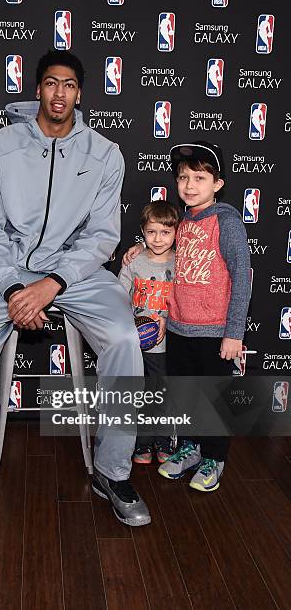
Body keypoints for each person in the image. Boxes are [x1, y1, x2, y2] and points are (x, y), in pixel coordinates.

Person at [0, 50, 150, 526]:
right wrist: (14, 287)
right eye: (51, 83)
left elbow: (101, 237)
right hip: (7, 271)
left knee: (124, 340)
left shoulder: (104, 153)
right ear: (37, 90)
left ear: (80, 94)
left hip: (77, 274)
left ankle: (111, 471)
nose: (60, 93)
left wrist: (52, 283)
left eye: (69, 85)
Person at [123, 141, 251, 492]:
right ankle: (192, 448)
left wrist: (234, 332)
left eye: (199, 177)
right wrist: (138, 249)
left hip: (214, 331)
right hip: (178, 328)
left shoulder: (227, 221)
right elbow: (160, 244)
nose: (190, 185)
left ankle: (214, 458)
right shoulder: (183, 220)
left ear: (218, 184)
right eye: (183, 178)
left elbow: (242, 275)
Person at [118, 201, 179, 464]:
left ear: (176, 233)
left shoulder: (181, 264)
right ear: (142, 231)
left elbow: (186, 300)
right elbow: (119, 297)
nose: (157, 239)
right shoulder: (134, 262)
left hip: (165, 348)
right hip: (136, 345)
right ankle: (142, 444)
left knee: (163, 392)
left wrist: (169, 319)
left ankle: (164, 440)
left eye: (165, 232)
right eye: (151, 232)